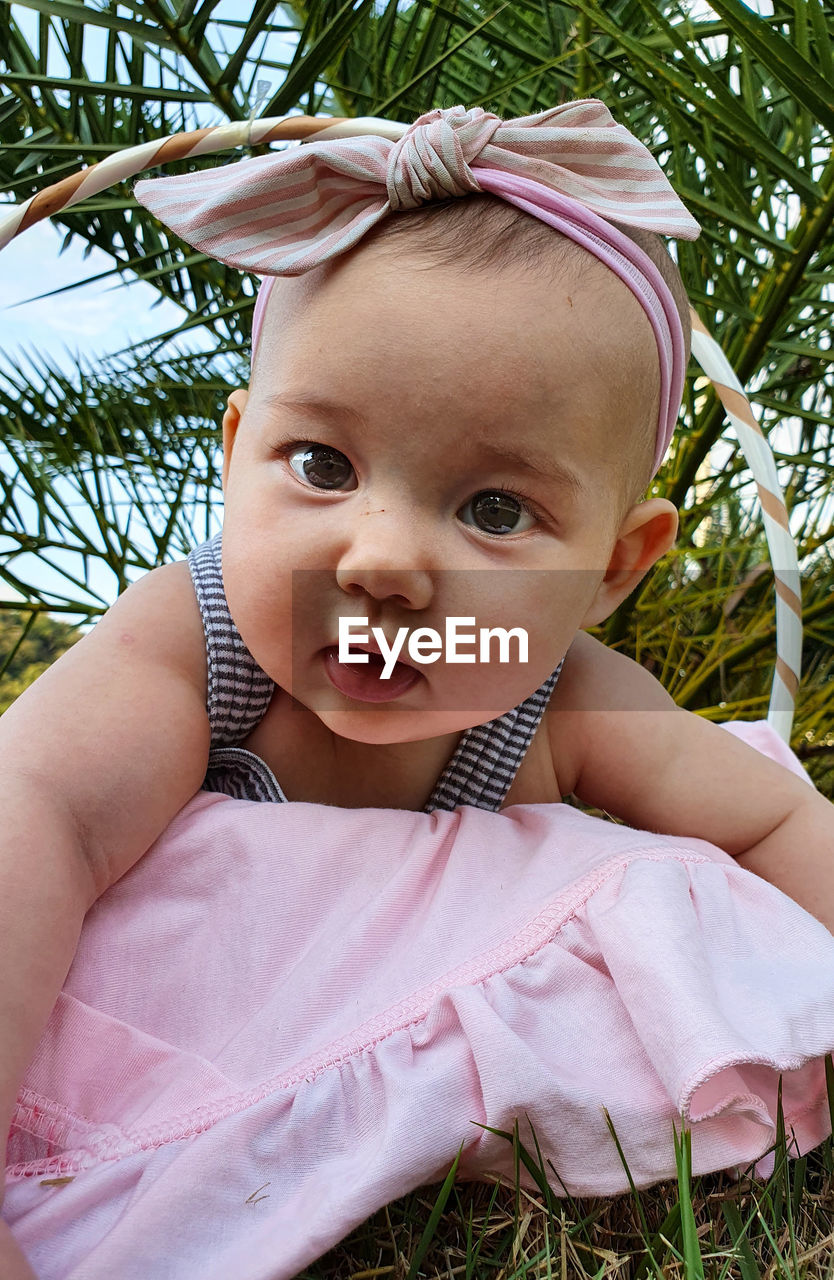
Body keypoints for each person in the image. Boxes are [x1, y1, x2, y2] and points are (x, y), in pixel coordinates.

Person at [1, 101, 832, 1278]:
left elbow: (773, 815)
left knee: (671, 888)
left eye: (495, 509)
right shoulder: (200, 642)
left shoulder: (559, 695)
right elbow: (39, 809)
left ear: (613, 564)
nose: (381, 559)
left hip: (354, 1032)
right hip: (131, 1044)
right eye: (322, 465)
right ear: (236, 452)